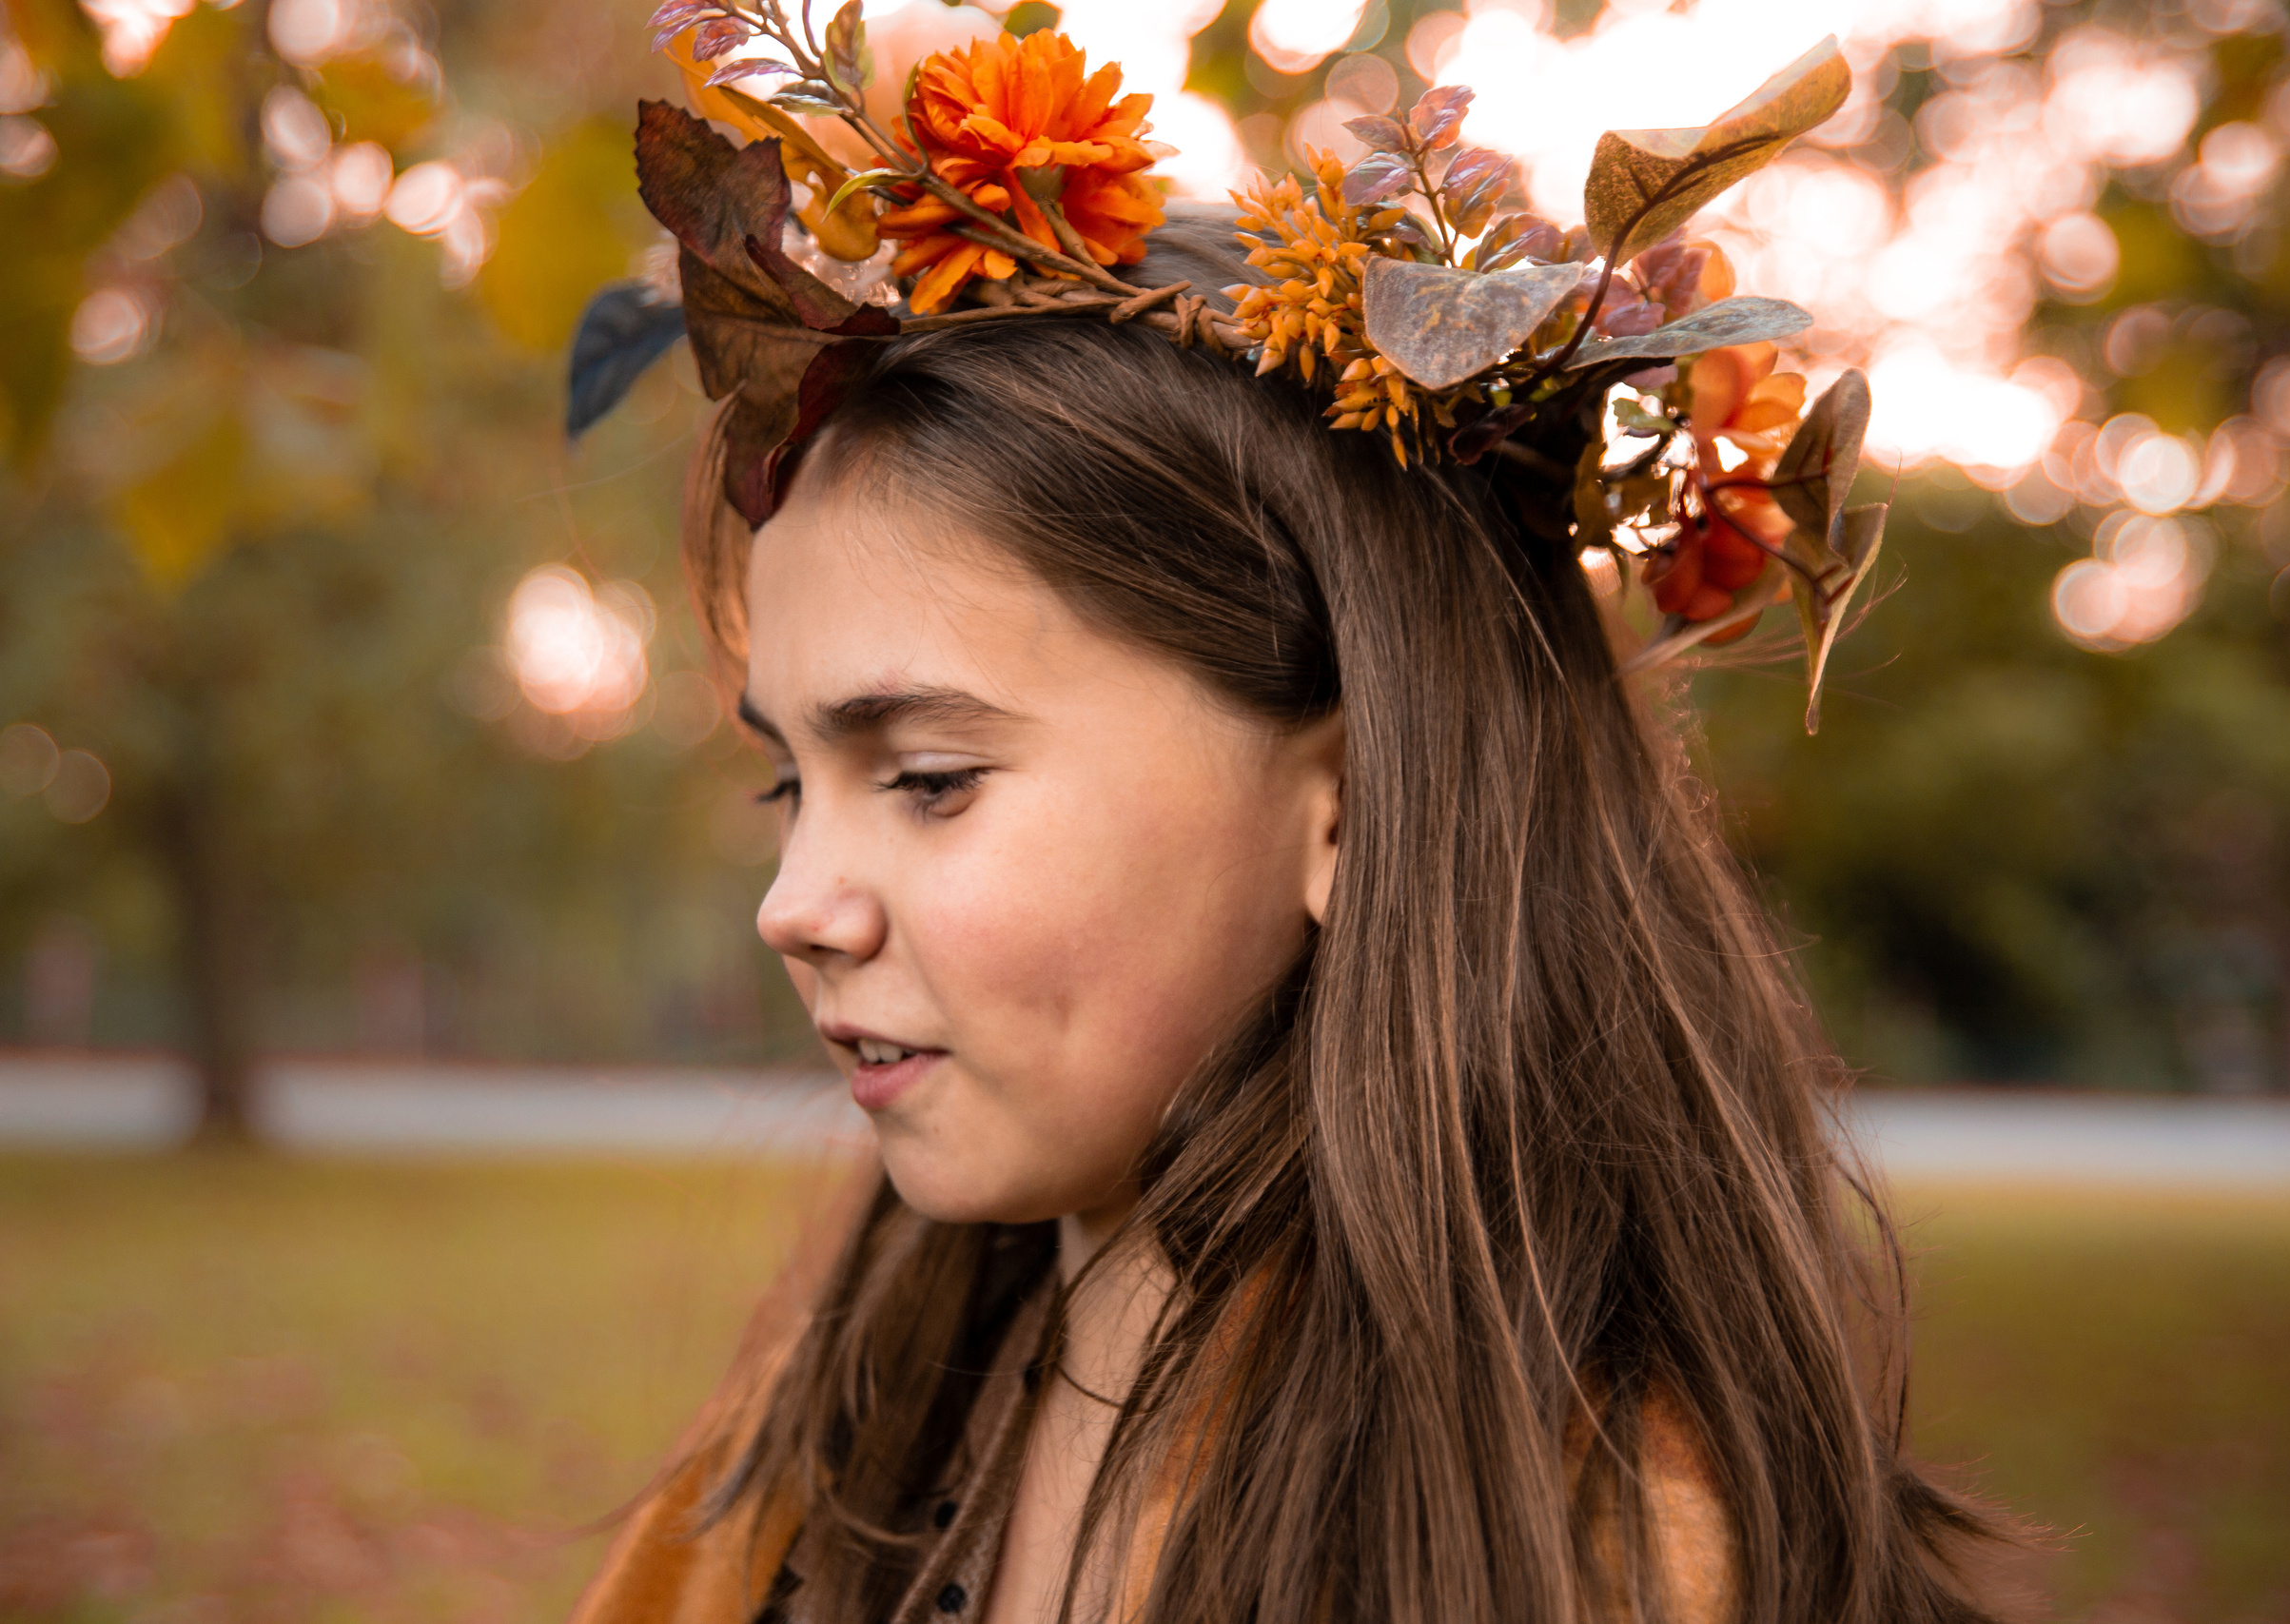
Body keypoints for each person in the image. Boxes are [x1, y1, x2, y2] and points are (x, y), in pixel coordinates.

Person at [566, 18, 2007, 1623]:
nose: (795, 903)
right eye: (790, 784)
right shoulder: (833, 1447)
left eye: (926, 781)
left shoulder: (1590, 1555)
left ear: (1345, 806)